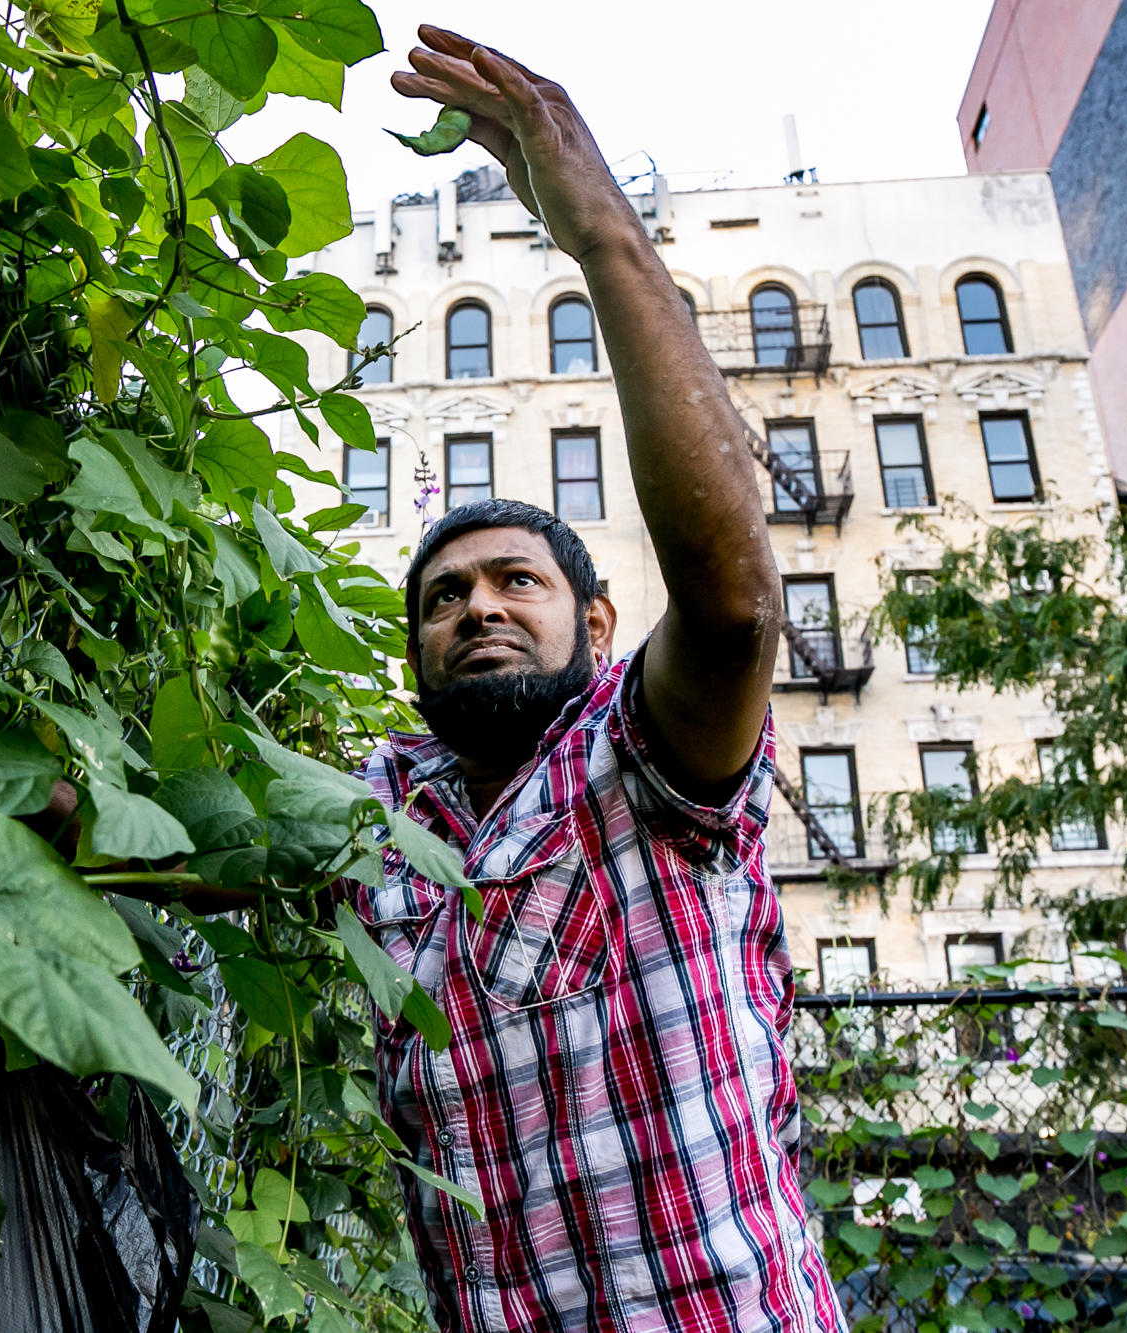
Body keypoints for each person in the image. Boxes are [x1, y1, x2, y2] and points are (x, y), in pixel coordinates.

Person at [337, 28, 848, 1333]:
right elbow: (176, 854)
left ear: (599, 619)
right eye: (444, 597)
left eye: (518, 579)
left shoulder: (643, 760)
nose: (480, 606)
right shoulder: (376, 811)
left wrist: (606, 243)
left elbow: (734, 607)